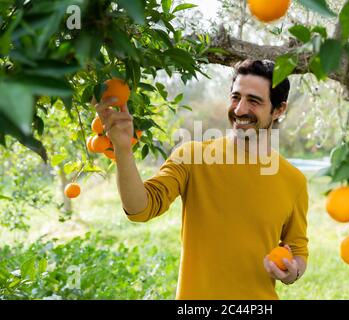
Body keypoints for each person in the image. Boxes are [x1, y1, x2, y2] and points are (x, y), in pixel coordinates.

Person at [95, 59, 309, 300]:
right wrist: (123, 150)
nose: (239, 110)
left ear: (279, 110)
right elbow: (140, 209)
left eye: (254, 101)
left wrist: (293, 272)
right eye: (236, 97)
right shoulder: (193, 156)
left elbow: (298, 249)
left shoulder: (294, 181)